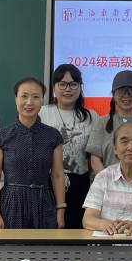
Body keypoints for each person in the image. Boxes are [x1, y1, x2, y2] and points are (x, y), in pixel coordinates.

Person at [0, 77, 65, 229]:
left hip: (44, 203)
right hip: (11, 204)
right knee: (11, 244)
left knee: (44, 244)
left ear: (42, 100)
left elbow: (57, 175)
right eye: (24, 96)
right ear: (16, 99)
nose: (29, 102)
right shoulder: (1, 136)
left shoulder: (53, 136)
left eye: (35, 97)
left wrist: (61, 210)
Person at [39, 64, 99, 229]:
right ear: (54, 87)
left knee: (77, 231)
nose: (68, 89)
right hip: (47, 183)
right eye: (62, 84)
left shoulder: (91, 117)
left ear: (80, 87)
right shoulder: (42, 113)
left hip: (80, 183)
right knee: (49, 230)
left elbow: (94, 155)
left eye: (73, 84)